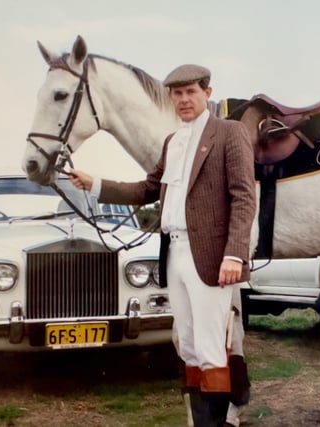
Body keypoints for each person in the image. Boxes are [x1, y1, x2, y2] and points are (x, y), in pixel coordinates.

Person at [69, 64, 256, 426]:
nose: (184, 100)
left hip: (212, 257)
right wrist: (94, 183)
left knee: (210, 345)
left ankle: (218, 423)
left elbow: (244, 198)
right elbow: (145, 190)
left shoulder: (229, 133)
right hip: (174, 254)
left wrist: (234, 253)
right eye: (177, 93)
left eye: (191, 92)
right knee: (186, 345)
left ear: (207, 92)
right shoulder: (173, 142)